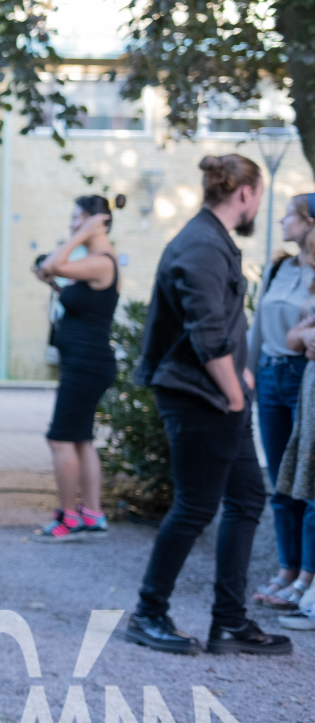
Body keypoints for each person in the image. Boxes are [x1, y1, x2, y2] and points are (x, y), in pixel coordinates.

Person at [123, 154, 290, 656]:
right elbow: (207, 332)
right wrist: (235, 392)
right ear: (246, 193)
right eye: (260, 196)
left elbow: (220, 324)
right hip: (199, 397)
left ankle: (230, 622)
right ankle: (148, 614)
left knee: (247, 498)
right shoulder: (201, 246)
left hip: (217, 395)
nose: (258, 205)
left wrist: (239, 377)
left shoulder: (212, 241)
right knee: (196, 506)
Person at [29, 195, 120, 541]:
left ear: (98, 221)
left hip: (87, 364)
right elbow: (62, 280)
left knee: (60, 439)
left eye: (77, 218)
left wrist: (82, 234)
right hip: (84, 362)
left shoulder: (102, 262)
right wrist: (54, 284)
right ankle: (92, 515)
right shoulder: (93, 263)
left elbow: (54, 263)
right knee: (81, 439)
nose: (71, 225)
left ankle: (69, 518)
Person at [250, 193, 315, 608]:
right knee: (280, 484)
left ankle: (307, 579)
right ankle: (286, 570)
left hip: (304, 377)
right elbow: (258, 326)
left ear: (310, 223)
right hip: (269, 374)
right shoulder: (278, 267)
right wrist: (246, 376)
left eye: (291, 214)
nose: (282, 220)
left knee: (308, 483)